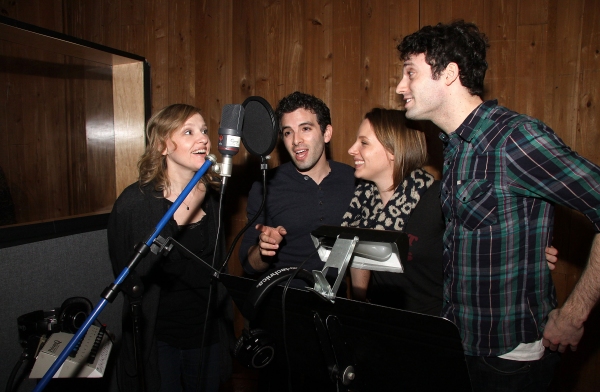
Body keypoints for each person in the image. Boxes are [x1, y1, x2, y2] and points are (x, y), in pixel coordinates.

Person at [396, 20, 600, 391]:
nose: (400, 87)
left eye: (410, 73)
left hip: (510, 361)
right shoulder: (455, 146)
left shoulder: (514, 138)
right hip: (461, 346)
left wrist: (574, 313)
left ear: (450, 74)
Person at [108, 104, 234, 392]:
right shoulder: (135, 202)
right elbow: (126, 273)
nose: (202, 138)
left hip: (205, 335)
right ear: (164, 145)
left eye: (203, 130)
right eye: (188, 132)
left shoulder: (213, 197)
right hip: (159, 337)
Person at [239, 91, 356, 291]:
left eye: (306, 128)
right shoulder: (265, 186)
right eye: (288, 132)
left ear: (326, 133)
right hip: (282, 307)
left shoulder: (354, 181)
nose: (296, 140)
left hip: (335, 309)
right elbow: (249, 265)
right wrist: (264, 249)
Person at [342, 108, 444, 316]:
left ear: (393, 150)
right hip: (381, 325)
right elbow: (359, 264)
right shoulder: (362, 201)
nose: (351, 149)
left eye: (364, 143)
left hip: (430, 328)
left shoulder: (438, 200)